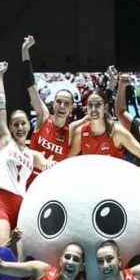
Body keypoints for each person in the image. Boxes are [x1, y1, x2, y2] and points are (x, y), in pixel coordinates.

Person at [0, 61, 50, 247]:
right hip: (1, 199)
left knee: (18, 254)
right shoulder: (5, 141)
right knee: (2, 250)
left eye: (23, 123)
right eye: (16, 124)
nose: (20, 127)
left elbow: (52, 168)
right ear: (10, 127)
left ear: (29, 126)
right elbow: (1, 107)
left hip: (22, 206)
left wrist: (51, 165)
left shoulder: (34, 155)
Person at [23, 36, 87, 182]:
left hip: (52, 187)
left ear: (71, 108)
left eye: (66, 103)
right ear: (53, 104)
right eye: (59, 102)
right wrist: (25, 51)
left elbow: (97, 114)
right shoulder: (44, 116)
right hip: (28, 183)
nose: (62, 106)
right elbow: (30, 86)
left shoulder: (72, 131)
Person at [68, 89, 140, 161]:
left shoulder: (118, 132)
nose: (93, 109)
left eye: (98, 105)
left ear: (105, 107)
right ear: (87, 108)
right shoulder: (80, 133)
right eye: (90, 105)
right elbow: (66, 161)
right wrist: (77, 123)